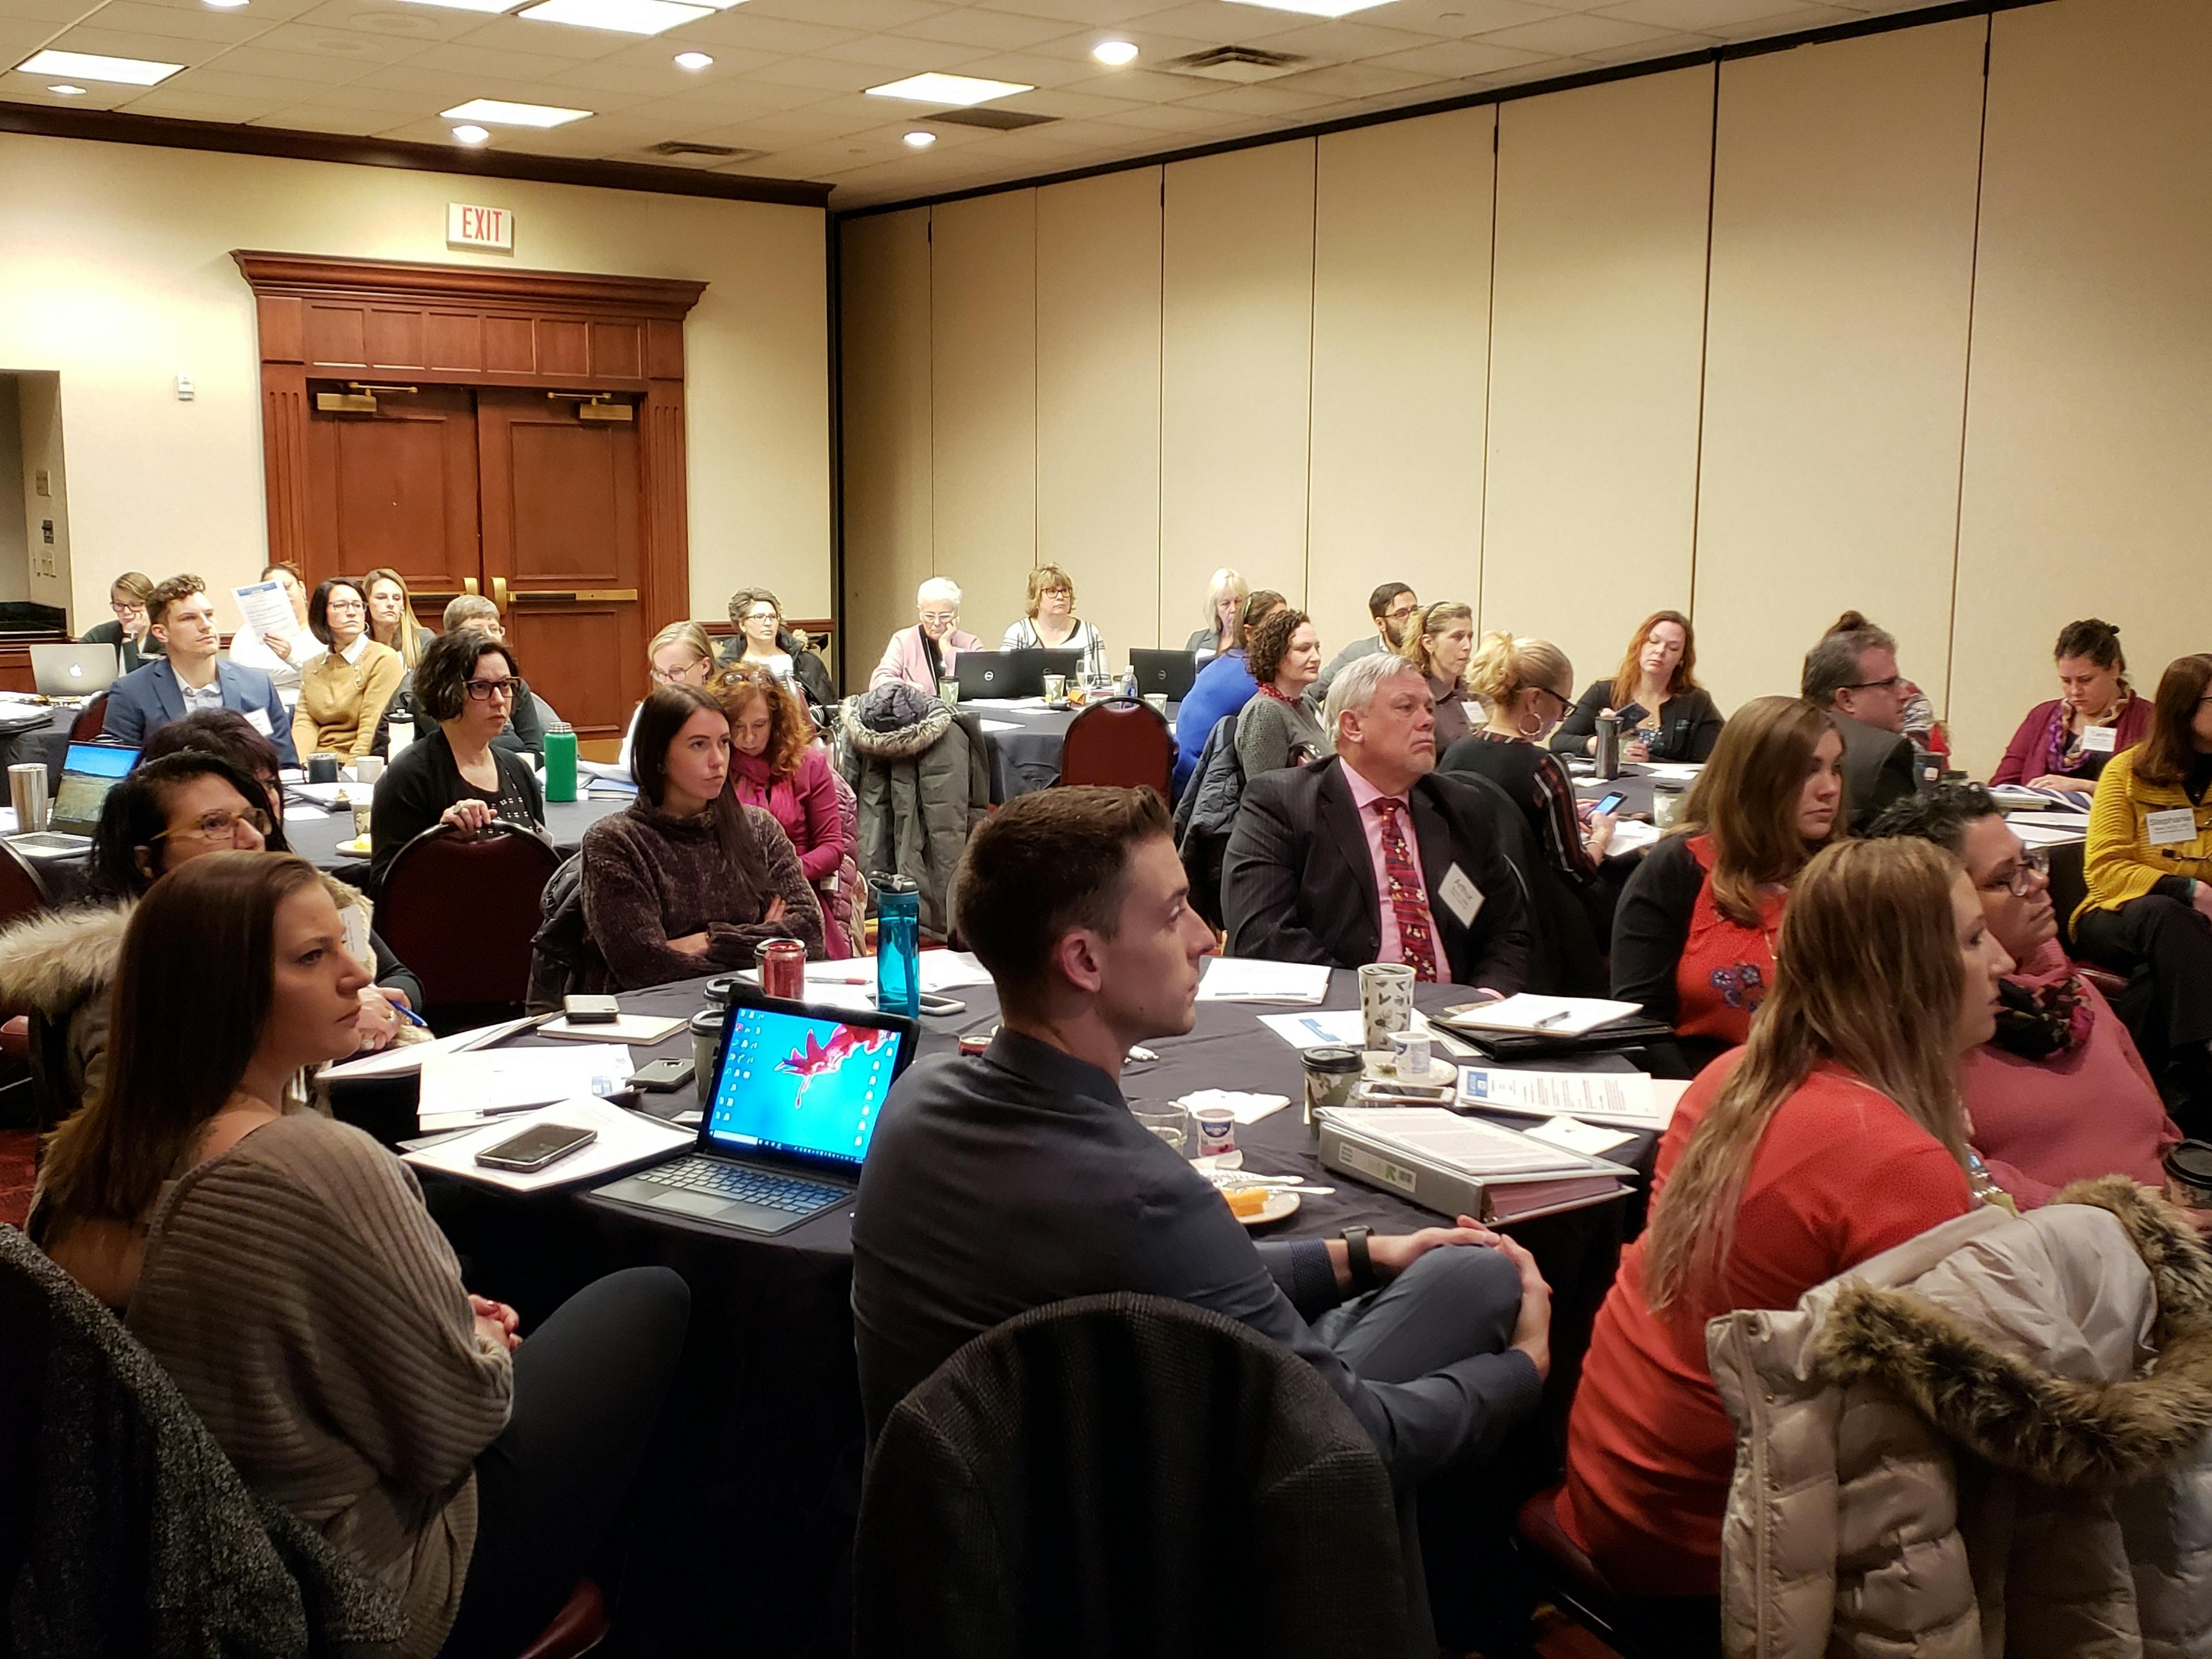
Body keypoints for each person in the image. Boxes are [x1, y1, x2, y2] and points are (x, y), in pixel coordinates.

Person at [852, 785, 1552, 1642]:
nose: (1206, 939)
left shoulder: (917, 1104)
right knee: (1484, 1285)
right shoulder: (1145, 1194)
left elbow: (1160, 1283)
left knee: (1461, 1269)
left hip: (976, 1551)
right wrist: (1522, 1371)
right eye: (1176, 912)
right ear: (1084, 960)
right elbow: (1361, 1438)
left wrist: (1361, 1256)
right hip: (1163, 1551)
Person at [30, 851, 690, 1659]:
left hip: (177, 1566)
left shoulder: (70, 1168)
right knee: (649, 1297)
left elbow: (265, 1334)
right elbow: (457, 1427)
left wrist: (426, 1327)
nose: (357, 971)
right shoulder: (316, 1166)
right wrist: (474, 1345)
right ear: (220, 992)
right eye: (314, 957)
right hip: (355, 1595)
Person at [1563, 837, 2007, 1629]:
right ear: (1903, 975)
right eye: (1973, 939)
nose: (2002, 959)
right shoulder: (1897, 1161)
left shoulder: (1730, 1077)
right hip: (1715, 1543)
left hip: (1618, 1475)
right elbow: (1949, 1430)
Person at [0, 752, 420, 1119]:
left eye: (252, 818)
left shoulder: (255, 936)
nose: (253, 838)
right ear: (147, 862)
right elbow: (140, 1168)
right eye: (215, 824)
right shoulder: (130, 985)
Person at [1867, 782, 2187, 1211]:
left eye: (2030, 861)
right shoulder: (1920, 1037)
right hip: (2069, 1252)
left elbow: (2161, 1128)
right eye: (2006, 878)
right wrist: (2134, 1223)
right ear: (1936, 909)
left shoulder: (2071, 993)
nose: (2039, 881)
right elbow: (1972, 1189)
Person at [1222, 651, 1532, 993]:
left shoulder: (1461, 807)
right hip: (1337, 1013)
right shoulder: (1281, 804)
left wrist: (1487, 997)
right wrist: (1377, 1002)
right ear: (1353, 726)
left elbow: (1508, 929)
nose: (1428, 721)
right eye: (1406, 707)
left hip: (1457, 1017)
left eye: (1429, 708)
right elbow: (1264, 934)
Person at [1609, 698, 1844, 1078]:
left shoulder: (1843, 875)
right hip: (1700, 1087)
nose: (1831, 788)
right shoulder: (1678, 868)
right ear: (1755, 778)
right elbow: (1639, 1022)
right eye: (1809, 771)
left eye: (1837, 769)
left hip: (1820, 1091)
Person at [580, 683, 823, 990]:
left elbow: (810, 937)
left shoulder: (759, 829)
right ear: (658, 757)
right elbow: (644, 967)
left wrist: (711, 940)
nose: (718, 760)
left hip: (754, 1008)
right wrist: (765, 938)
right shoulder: (617, 842)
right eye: (698, 745)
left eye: (723, 743)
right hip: (652, 1019)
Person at [2072, 653, 2212, 1123]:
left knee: (2157, 979)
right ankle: (2200, 1064)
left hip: (2195, 934)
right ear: (2184, 708)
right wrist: (2188, 890)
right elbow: (2105, 870)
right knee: (2167, 915)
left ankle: (2149, 1103)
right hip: (2115, 915)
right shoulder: (2126, 772)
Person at [369, 628, 546, 891]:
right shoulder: (409, 777)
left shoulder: (517, 769)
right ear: (447, 691)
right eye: (481, 688)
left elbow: (541, 868)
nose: (499, 700)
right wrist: (441, 845)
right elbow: (386, 890)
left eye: (506, 685)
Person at [1445, 633, 1616, 883]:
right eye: (1563, 705)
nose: (1560, 719)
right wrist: (1601, 835)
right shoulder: (1545, 768)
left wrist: (1562, 816)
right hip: (1533, 911)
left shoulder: (1456, 752)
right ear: (1535, 699)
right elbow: (1576, 872)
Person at [714, 662, 858, 959]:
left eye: (759, 725)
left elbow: (833, 849)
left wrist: (785, 876)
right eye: (737, 727)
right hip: (730, 897)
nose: (749, 738)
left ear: (776, 721)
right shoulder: (715, 767)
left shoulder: (809, 765)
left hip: (795, 894)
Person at [102, 574, 299, 768]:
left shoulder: (258, 685)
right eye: (189, 618)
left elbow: (286, 766)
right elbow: (117, 776)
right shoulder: (131, 692)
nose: (206, 625)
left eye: (210, 614)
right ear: (161, 633)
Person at [1990, 618, 2152, 789]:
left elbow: (2160, 795)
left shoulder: (2149, 720)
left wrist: (2087, 788)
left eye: (2085, 680)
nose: (2075, 691)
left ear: (2114, 669)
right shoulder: (2041, 716)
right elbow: (2002, 785)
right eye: (2066, 681)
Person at [1550, 610, 1724, 764]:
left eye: (1673, 648)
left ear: (1682, 659)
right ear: (1639, 646)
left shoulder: (1697, 702)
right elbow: (1560, 742)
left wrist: (1651, 760)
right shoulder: (1603, 692)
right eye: (1654, 642)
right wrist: (1597, 744)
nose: (1660, 651)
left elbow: (1709, 763)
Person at [1800, 613, 1918, 832]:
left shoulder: (1778, 732)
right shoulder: (1885, 754)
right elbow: (1907, 859)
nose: (1904, 694)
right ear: (1846, 699)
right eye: (1890, 683)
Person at [1172, 590, 1285, 797]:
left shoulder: (1226, 662)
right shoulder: (1254, 676)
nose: (1287, 632)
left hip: (1185, 781)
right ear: (1250, 633)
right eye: (1276, 625)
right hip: (1202, 792)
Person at [293, 577, 404, 764]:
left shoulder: (383, 658)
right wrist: (300, 768)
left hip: (359, 765)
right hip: (318, 765)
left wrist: (350, 774)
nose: (352, 612)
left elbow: (371, 730)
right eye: (341, 606)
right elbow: (304, 724)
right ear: (323, 613)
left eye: (358, 605)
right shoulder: (312, 666)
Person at [438, 594, 547, 759]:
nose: (489, 636)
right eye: (477, 631)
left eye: (494, 629)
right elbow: (455, 749)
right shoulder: (440, 685)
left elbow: (535, 750)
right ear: (452, 637)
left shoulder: (514, 684)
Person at [1233, 607, 1329, 779]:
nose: (1316, 657)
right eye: (1303, 649)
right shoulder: (1265, 713)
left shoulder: (1307, 703)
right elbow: (1264, 796)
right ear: (1276, 655)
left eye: (1317, 648)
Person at [617, 619, 717, 775]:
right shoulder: (648, 710)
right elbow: (629, 763)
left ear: (704, 666)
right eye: (661, 673)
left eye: (676, 672)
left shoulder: (722, 708)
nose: (667, 683)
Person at [225, 559, 323, 696]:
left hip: (307, 704)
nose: (281, 595)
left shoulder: (321, 630)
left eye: (286, 587)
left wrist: (291, 658)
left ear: (302, 588)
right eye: (272, 590)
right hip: (260, 704)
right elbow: (240, 673)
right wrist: (298, 671)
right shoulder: (247, 632)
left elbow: (324, 672)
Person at [871, 577, 983, 692]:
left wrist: (947, 647)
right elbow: (879, 681)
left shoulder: (971, 644)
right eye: (929, 616)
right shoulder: (903, 640)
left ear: (955, 613)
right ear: (920, 613)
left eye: (945, 616)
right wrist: (905, 688)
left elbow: (981, 684)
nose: (937, 623)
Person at [999, 563, 1108, 681]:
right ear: (1036, 597)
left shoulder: (1089, 634)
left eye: (1065, 591)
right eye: (1052, 591)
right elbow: (1002, 682)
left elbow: (1103, 686)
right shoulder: (1018, 633)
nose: (1060, 597)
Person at [1315, 581, 1419, 700]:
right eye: (1401, 614)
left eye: (1415, 610)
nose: (1412, 619)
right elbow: (1312, 692)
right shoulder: (1357, 654)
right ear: (1381, 624)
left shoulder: (1429, 652)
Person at [1399, 601, 1478, 753]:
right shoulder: (1414, 700)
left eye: (1470, 637)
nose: (1467, 646)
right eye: (1457, 637)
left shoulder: (1474, 694)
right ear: (1429, 643)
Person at [78, 571, 161, 672]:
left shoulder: (163, 636)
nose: (126, 612)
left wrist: (129, 636)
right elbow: (77, 661)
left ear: (149, 604)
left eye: (134, 605)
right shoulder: (100, 635)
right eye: (119, 605)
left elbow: (135, 680)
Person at [363, 567, 431, 672]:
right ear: (366, 603)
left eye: (397, 598)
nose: (391, 604)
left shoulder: (423, 639)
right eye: (381, 597)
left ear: (403, 606)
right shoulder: (358, 643)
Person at [1183, 567, 1248, 659]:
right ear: (1215, 610)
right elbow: (1186, 673)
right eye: (1226, 604)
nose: (1234, 609)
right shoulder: (1197, 641)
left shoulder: (1253, 640)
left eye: (1238, 601)